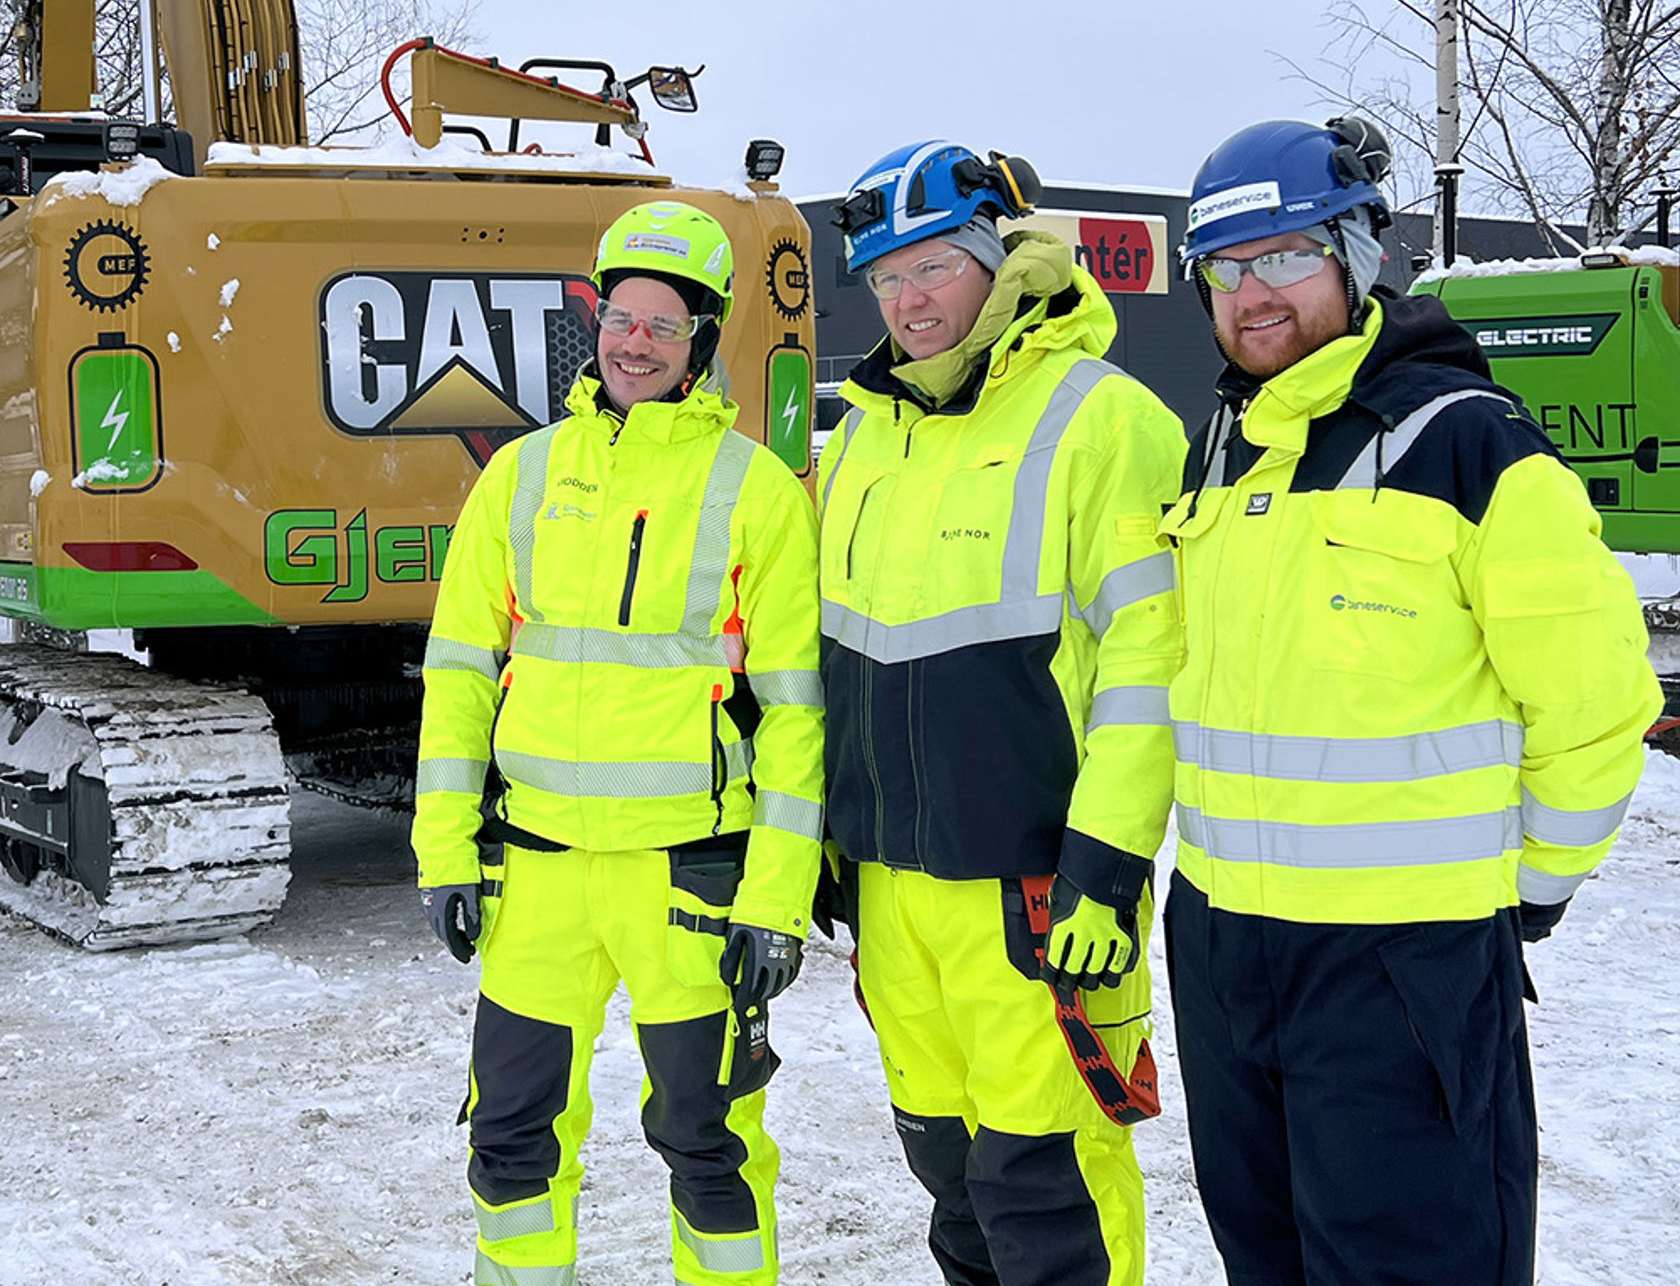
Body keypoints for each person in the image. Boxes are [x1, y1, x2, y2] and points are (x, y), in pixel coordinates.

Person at [1163, 116, 1660, 1286]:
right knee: (1268, 1255)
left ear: (1355, 254)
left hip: (1403, 964)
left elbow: (1596, 707)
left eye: (1284, 256)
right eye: (1226, 271)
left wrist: (1523, 894)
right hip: (1227, 952)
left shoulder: (1471, 446)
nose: (1254, 294)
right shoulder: (1222, 455)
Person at [412, 199, 824, 1286]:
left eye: (664, 324)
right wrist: (447, 854)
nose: (634, 341)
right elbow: (457, 677)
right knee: (508, 1143)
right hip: (536, 877)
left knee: (710, 1150)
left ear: (703, 337)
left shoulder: (757, 490)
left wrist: (776, 900)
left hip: (688, 881)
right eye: (620, 316)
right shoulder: (523, 476)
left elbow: (796, 716)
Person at [817, 140, 1188, 1286]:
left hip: (1036, 892)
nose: (909, 303)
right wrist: (827, 841)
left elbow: (1151, 659)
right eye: (884, 280)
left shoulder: (1106, 419)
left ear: (997, 256)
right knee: (951, 1177)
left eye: (931, 268)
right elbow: (830, 652)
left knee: (1049, 1188)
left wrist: (1110, 859)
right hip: (892, 887)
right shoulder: (866, 432)